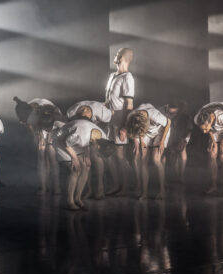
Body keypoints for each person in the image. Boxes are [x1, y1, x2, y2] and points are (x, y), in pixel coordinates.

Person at [53, 119, 113, 210]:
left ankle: (78, 198)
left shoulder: (103, 138)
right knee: (76, 169)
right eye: (98, 154)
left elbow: (89, 143)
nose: (97, 156)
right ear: (98, 146)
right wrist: (75, 158)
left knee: (87, 167)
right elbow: (66, 143)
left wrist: (87, 156)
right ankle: (70, 201)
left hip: (77, 143)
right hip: (62, 142)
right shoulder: (82, 136)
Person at [14, 97, 63, 195]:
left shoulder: (56, 112)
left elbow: (60, 127)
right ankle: (43, 187)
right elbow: (30, 125)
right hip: (39, 128)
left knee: (52, 156)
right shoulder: (28, 113)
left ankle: (57, 187)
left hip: (53, 129)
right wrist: (38, 135)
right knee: (41, 156)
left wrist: (50, 138)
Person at [104, 47, 135, 196]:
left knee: (120, 155)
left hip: (119, 120)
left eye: (118, 54)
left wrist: (124, 126)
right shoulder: (112, 76)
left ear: (126, 58)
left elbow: (129, 105)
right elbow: (107, 100)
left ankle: (125, 187)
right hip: (108, 120)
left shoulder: (127, 77)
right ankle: (116, 184)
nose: (115, 56)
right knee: (108, 155)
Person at [67, 101, 113, 199]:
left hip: (99, 128)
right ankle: (89, 189)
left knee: (96, 157)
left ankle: (100, 187)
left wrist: (96, 133)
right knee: (85, 161)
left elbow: (110, 118)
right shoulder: (70, 112)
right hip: (81, 131)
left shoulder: (102, 112)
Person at [127, 103, 171, 200]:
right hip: (145, 133)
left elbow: (168, 123)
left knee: (156, 159)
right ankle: (144, 193)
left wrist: (162, 142)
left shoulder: (155, 115)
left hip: (160, 131)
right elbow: (137, 131)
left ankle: (162, 191)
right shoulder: (131, 116)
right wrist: (140, 143)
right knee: (143, 160)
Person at [194, 102, 223, 196]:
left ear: (210, 121)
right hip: (215, 130)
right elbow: (209, 130)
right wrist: (213, 142)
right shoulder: (197, 119)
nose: (203, 132)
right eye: (202, 129)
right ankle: (213, 185)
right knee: (212, 155)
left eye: (205, 129)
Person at [159, 101, 193, 183]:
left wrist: (185, 140)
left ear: (178, 110)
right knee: (172, 154)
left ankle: (181, 175)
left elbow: (189, 129)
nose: (172, 114)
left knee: (182, 151)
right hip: (170, 134)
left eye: (174, 113)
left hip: (182, 134)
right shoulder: (162, 111)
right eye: (171, 113)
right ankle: (178, 175)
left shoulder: (185, 116)